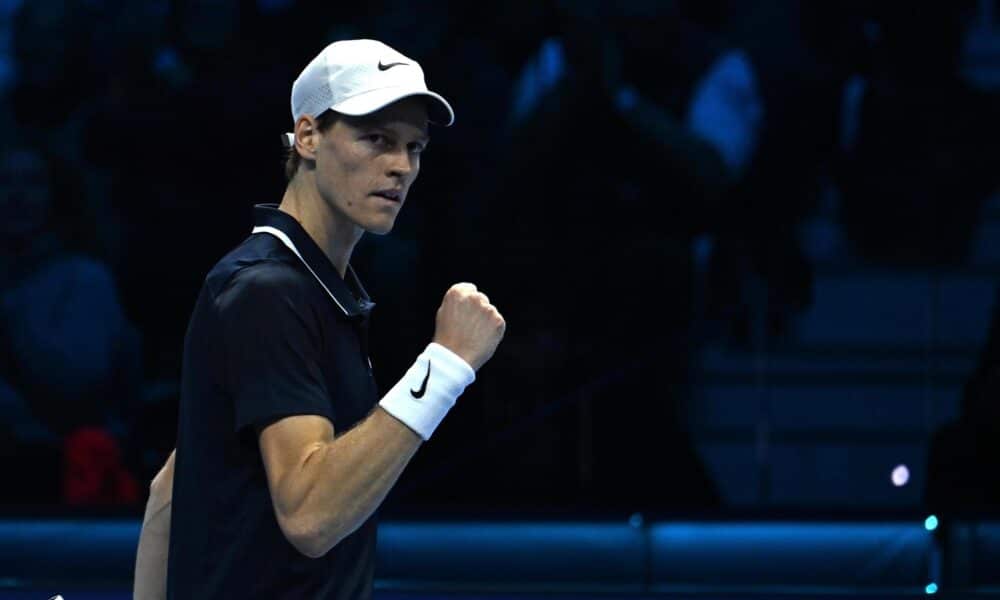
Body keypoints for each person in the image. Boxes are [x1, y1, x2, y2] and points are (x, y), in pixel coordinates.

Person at [133, 39, 506, 599]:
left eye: (414, 146)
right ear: (307, 136)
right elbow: (311, 517)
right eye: (376, 139)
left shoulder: (303, 288)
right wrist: (446, 365)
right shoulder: (268, 289)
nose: (401, 166)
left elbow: (174, 486)